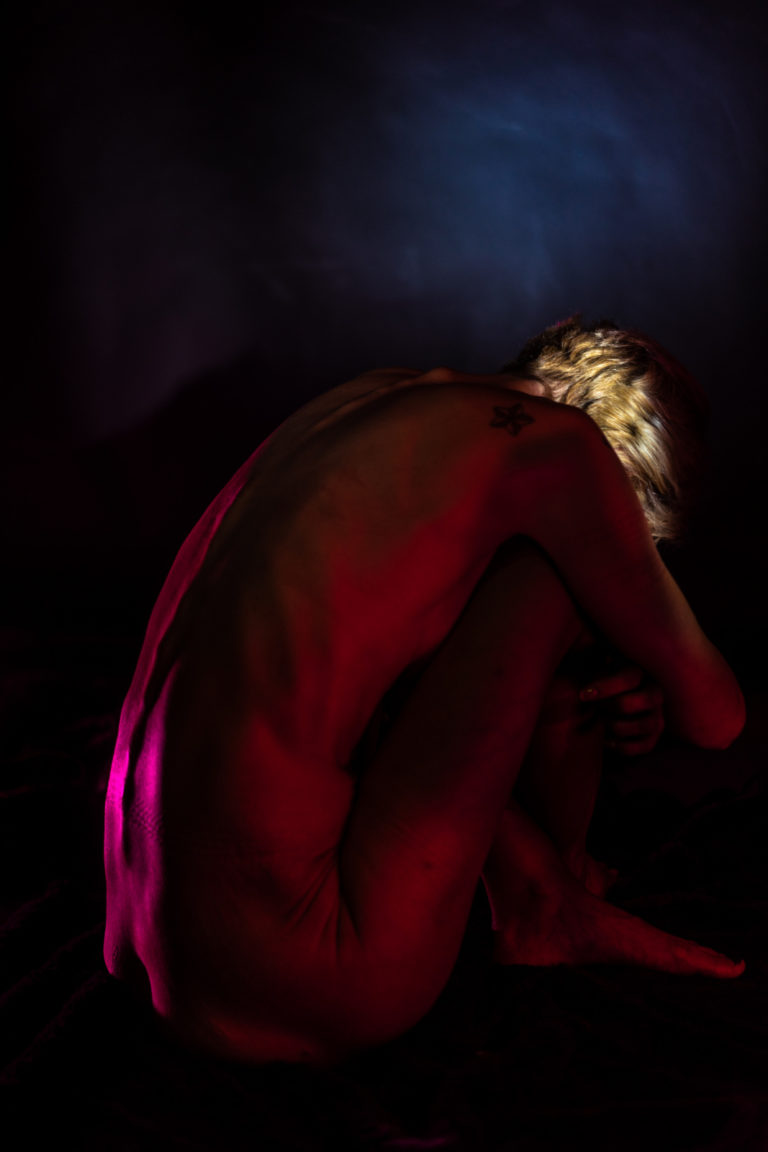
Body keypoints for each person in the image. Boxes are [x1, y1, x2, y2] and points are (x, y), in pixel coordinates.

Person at [103, 317, 746, 1065]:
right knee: (556, 575)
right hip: (310, 972)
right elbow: (717, 718)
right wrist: (625, 646)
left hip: (137, 944)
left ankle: (538, 886)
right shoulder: (567, 451)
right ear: (621, 459)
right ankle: (552, 897)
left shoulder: (370, 401)